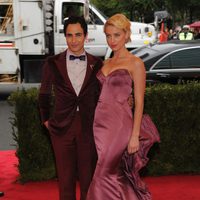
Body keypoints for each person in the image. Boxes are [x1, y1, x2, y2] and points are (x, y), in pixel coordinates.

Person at [86, 14, 160, 200]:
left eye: (117, 35)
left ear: (126, 35)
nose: (112, 40)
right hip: (99, 125)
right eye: (108, 36)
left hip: (120, 126)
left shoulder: (136, 64)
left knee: (102, 174)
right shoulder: (105, 63)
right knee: (115, 175)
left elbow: (140, 101)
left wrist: (135, 135)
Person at [38, 16, 103, 200]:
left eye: (78, 35)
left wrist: (125, 100)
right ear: (65, 37)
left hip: (88, 128)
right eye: (69, 35)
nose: (74, 40)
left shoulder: (97, 63)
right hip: (61, 129)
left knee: (88, 182)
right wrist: (46, 120)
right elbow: (43, 94)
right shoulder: (53, 62)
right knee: (65, 183)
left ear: (86, 36)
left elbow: (103, 96)